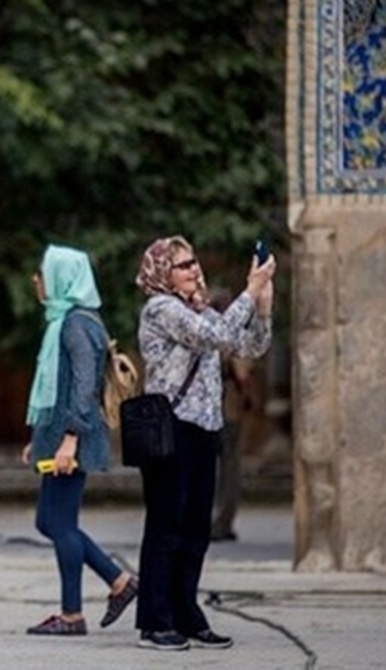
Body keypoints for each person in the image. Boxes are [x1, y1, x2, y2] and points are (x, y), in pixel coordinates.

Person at [132, 235, 274, 651]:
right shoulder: (162, 310)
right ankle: (155, 620)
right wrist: (249, 290)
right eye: (183, 264)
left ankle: (185, 612)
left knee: (195, 527)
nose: (194, 269)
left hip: (203, 428)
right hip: (169, 430)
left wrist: (263, 308)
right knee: (165, 525)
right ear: (163, 273)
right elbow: (215, 336)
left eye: (194, 261)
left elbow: (248, 344)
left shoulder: (201, 311)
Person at [20, 245, 137, 636]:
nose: (38, 280)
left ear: (62, 279)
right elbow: (59, 386)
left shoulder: (75, 324)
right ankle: (118, 582)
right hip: (61, 436)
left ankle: (73, 614)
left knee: (59, 522)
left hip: (75, 437)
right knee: (49, 520)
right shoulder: (66, 321)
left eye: (43, 273)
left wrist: (69, 440)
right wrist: (41, 438)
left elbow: (84, 386)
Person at [207, 289, 259, 543]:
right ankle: (222, 521)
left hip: (209, 408)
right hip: (227, 406)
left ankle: (215, 521)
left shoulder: (204, 332)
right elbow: (243, 374)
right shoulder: (234, 336)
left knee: (209, 467)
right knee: (229, 468)